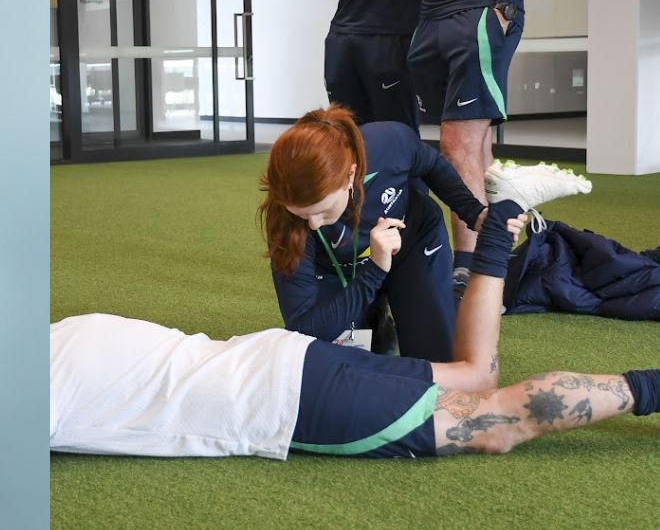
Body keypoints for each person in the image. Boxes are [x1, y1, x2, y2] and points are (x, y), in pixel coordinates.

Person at [50, 170, 660, 460]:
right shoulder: (64, 333)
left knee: (495, 421)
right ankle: (500, 218)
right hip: (274, 358)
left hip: (286, 403)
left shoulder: (34, 387)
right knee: (475, 377)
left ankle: (502, 221)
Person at [406, 0, 543, 297]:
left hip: (481, 10)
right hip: (433, 17)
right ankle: (493, 259)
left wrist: (505, 4)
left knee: (456, 146)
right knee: (474, 147)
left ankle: (467, 272)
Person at [259, 105, 489, 362]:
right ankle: (376, 319)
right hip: (339, 269)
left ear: (350, 174)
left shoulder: (390, 143)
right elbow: (304, 326)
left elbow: (432, 165)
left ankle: (445, 295)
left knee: (434, 362)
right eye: (302, 214)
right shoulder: (283, 220)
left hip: (408, 243)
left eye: (323, 211)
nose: (313, 224)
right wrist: (374, 271)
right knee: (326, 365)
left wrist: (475, 213)